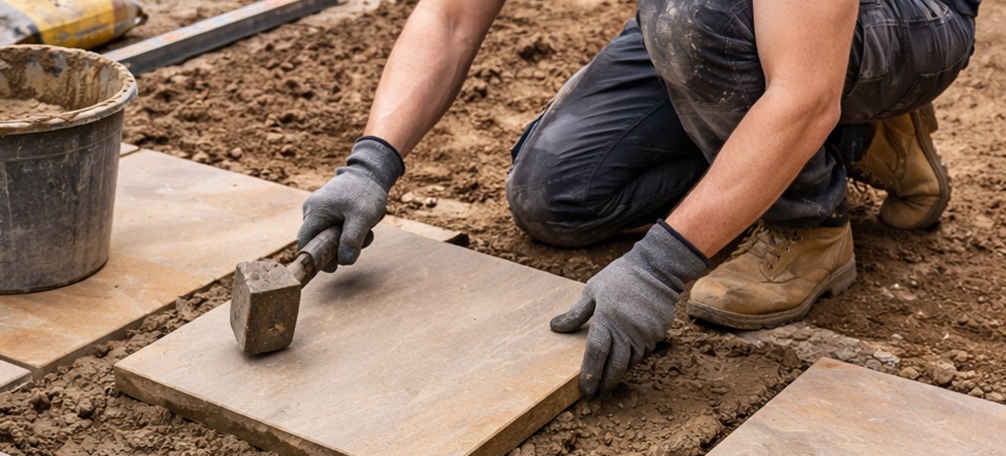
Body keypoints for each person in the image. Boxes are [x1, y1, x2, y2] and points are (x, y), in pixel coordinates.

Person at [297, 0, 979, 398]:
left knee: (693, 16)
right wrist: (371, 161)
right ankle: (862, 143)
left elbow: (802, 94)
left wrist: (662, 265)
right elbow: (448, 19)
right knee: (558, 194)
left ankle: (810, 226)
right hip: (726, 18)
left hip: (896, 25)